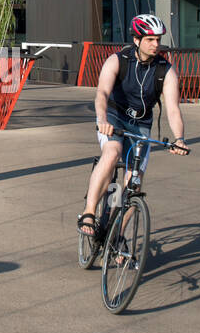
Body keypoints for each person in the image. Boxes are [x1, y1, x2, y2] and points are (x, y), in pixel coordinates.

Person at [77, 13, 189, 236]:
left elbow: (173, 109)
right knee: (112, 153)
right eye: (150, 39)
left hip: (141, 125)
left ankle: (117, 236)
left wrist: (179, 138)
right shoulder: (117, 60)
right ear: (136, 40)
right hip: (113, 118)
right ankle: (89, 212)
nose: (156, 44)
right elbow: (102, 93)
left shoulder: (165, 71)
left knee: (133, 184)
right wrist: (102, 120)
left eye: (158, 39)